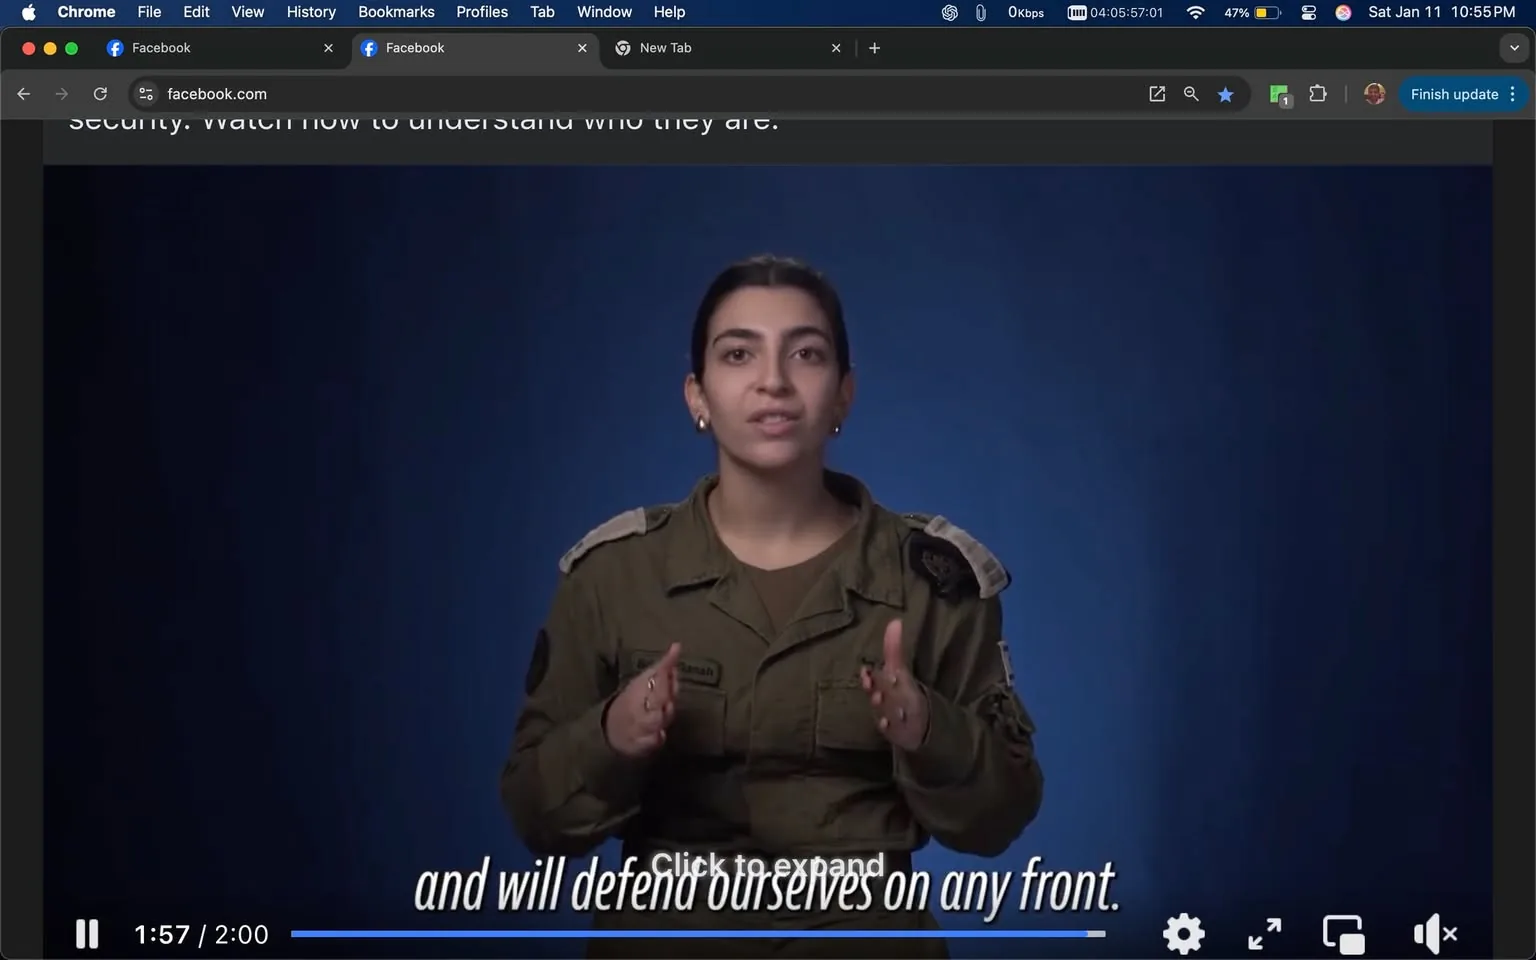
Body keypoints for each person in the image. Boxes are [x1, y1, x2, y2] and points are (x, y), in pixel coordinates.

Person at [501, 255, 1044, 959]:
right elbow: (537, 821)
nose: (773, 382)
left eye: (807, 353)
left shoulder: (933, 585)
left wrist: (928, 732)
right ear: (697, 394)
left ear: (843, 394)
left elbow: (997, 823)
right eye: (738, 353)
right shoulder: (614, 577)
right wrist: (611, 736)